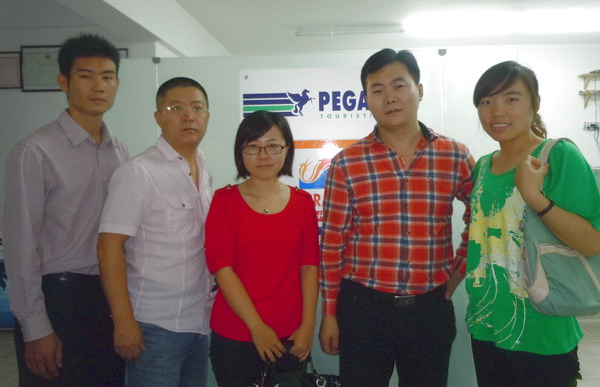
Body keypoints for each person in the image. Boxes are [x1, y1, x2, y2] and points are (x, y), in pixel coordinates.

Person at [319, 49, 475, 386]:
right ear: (366, 100)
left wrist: (460, 267)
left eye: (399, 85)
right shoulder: (347, 162)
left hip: (430, 308)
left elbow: (481, 217)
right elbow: (332, 243)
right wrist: (329, 312)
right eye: (377, 90)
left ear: (420, 90)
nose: (389, 97)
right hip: (363, 307)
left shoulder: (455, 155)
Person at [3, 33, 128, 386]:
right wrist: (35, 327)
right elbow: (20, 247)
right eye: (86, 76)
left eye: (107, 77)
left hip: (109, 297)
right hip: (59, 300)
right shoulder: (34, 151)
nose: (99, 86)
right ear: (63, 82)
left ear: (117, 84)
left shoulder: (120, 151)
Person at [465, 61, 600, 386]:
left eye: (511, 99)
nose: (497, 111)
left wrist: (534, 197)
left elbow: (592, 242)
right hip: (486, 322)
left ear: (535, 103)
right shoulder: (483, 165)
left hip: (543, 326)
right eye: (486, 101)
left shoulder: (558, 155)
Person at [97, 77, 214, 387]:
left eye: (196, 108)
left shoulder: (203, 168)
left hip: (198, 322)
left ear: (207, 116)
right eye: (176, 108)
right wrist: (124, 322)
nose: (188, 116)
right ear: (158, 117)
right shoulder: (139, 172)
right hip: (154, 326)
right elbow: (108, 247)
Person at [205, 110, 319, 387]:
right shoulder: (224, 201)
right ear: (241, 152)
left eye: (273, 146)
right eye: (253, 146)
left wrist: (307, 326)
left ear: (287, 149)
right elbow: (222, 268)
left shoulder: (303, 203)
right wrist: (256, 327)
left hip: (290, 336)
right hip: (235, 334)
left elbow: (309, 266)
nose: (263, 155)